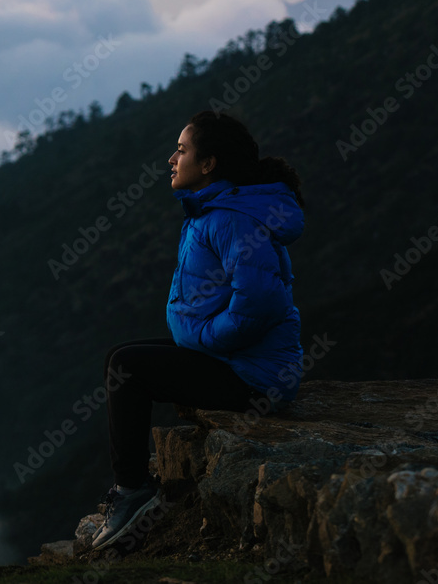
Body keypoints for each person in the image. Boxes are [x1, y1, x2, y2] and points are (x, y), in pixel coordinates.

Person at [91, 110, 306, 550]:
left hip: (253, 377)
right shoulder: (211, 211)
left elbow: (261, 302)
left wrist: (206, 338)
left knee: (128, 367)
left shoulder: (231, 218)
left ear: (208, 164)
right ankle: (133, 488)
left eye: (183, 150)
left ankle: (132, 491)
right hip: (231, 359)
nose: (172, 159)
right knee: (120, 356)